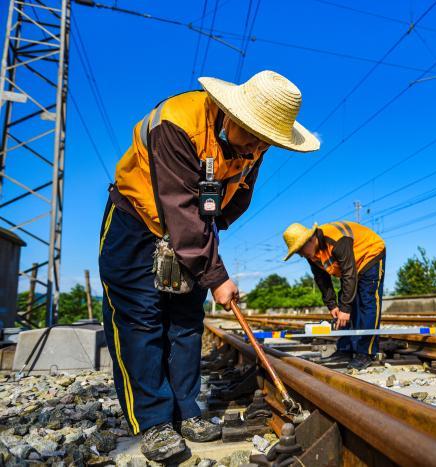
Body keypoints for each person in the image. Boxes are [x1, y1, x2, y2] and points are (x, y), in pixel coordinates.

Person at [99, 71, 319, 462]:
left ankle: (186, 412)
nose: (256, 146)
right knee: (141, 323)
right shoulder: (177, 124)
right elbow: (179, 207)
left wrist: (207, 238)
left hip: (191, 230)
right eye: (252, 134)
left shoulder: (255, 146)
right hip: (136, 223)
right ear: (230, 113)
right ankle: (153, 423)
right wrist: (216, 274)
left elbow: (235, 200)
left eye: (265, 140)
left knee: (185, 323)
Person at [282, 221, 386, 370]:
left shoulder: (336, 240)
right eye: (297, 252)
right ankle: (345, 348)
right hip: (351, 266)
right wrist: (332, 305)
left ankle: (366, 352)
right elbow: (322, 279)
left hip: (369, 254)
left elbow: (349, 273)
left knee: (367, 301)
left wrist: (345, 308)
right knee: (346, 301)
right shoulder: (311, 253)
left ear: (311, 239)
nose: (300, 255)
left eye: (299, 250)